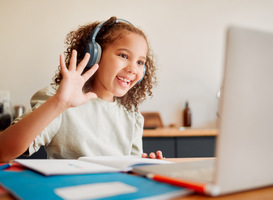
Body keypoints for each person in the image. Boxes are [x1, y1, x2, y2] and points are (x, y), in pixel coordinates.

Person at [0, 16, 163, 162]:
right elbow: (2, 152)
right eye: (123, 56)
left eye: (140, 62)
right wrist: (59, 103)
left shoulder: (131, 116)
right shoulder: (61, 99)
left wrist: (146, 163)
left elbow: (131, 167)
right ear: (94, 55)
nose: (133, 69)